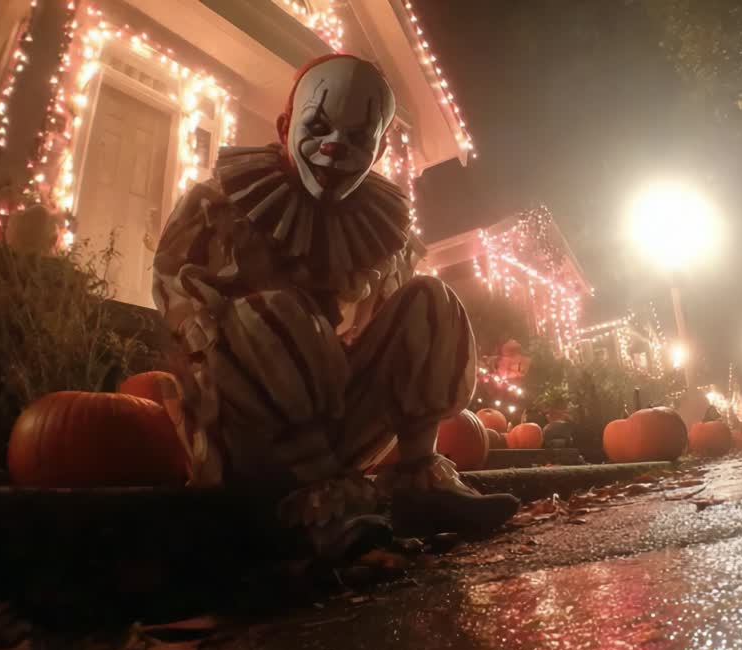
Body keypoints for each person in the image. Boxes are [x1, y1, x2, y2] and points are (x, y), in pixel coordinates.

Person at [152, 54, 519, 557]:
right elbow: (181, 304)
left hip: (337, 421)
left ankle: (417, 479)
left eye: (357, 138)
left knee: (432, 300)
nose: (333, 148)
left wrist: (331, 346)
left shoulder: (380, 228)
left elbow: (395, 331)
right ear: (285, 126)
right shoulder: (217, 203)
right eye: (318, 127)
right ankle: (326, 506)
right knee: (269, 316)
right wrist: (257, 338)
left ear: (380, 147)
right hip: (244, 434)